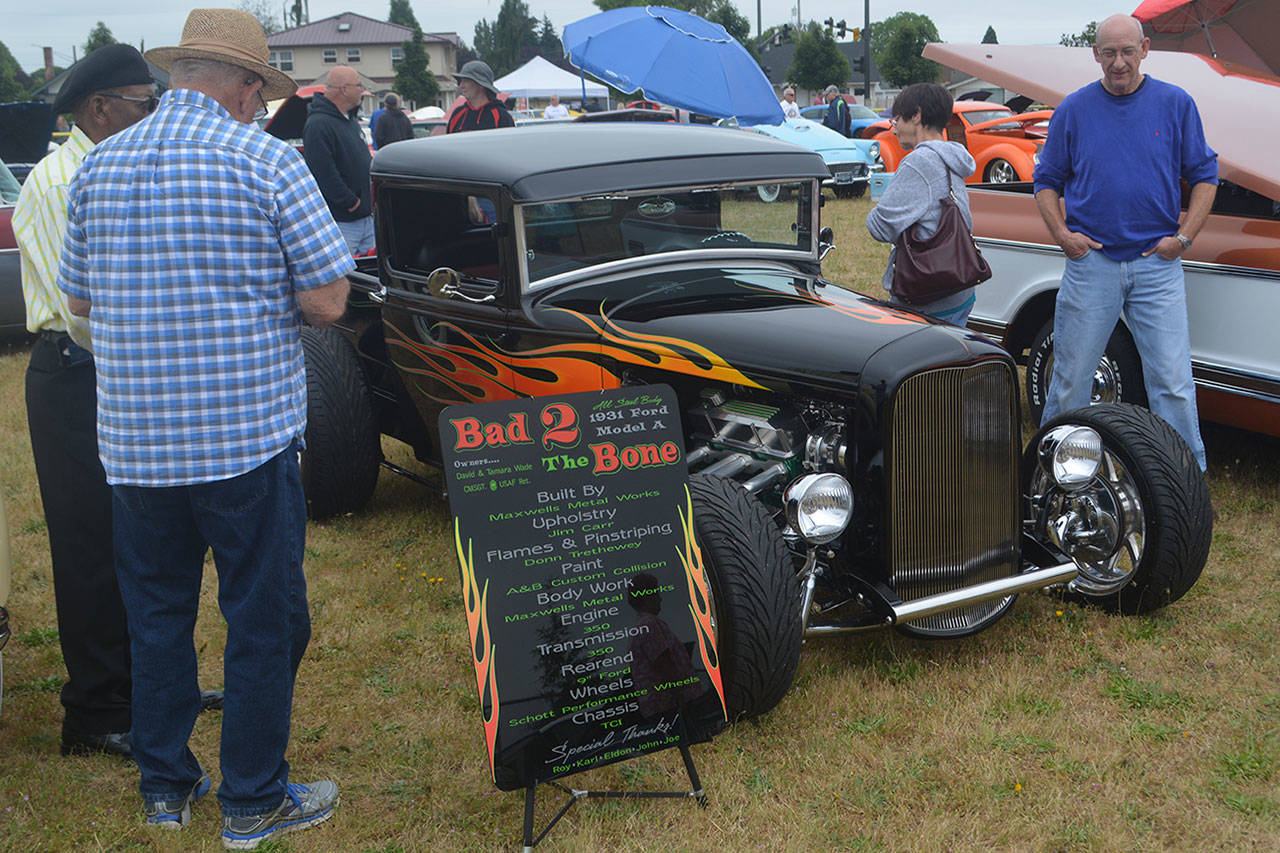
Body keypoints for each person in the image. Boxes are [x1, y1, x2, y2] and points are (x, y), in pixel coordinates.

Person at [59, 8, 352, 845]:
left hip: (137, 445)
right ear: (246, 87)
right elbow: (329, 299)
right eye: (260, 93)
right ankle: (254, 798)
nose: (261, 107)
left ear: (181, 75)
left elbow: (79, 299)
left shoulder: (99, 165)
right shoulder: (267, 160)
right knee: (263, 619)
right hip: (243, 442)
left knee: (156, 618)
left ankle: (165, 785)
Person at [13, 43, 223, 761]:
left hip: (122, 371)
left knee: (145, 537)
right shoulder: (54, 181)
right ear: (99, 109)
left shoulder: (119, 167)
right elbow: (80, 312)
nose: (156, 113)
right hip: (77, 375)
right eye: (146, 101)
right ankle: (98, 709)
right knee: (91, 545)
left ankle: (152, 687)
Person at [1033, 13, 1215, 471]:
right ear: (1095, 54)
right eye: (1109, 53)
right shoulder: (1074, 109)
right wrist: (1062, 235)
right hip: (1091, 265)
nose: (1119, 63)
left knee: (1172, 382)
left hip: (1158, 265)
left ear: (1145, 49)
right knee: (1071, 378)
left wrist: (1184, 237)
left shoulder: (1175, 104)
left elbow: (1205, 176)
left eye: (1127, 51)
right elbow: (1046, 181)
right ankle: (1051, 472)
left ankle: (1186, 479)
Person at [865, 83, 979, 326]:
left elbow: (879, 227)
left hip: (927, 300)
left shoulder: (919, 162)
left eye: (896, 119)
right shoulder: (953, 157)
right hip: (959, 291)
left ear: (916, 115)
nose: (894, 129)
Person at [303, 65, 373, 254]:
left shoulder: (349, 120)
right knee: (346, 276)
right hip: (342, 221)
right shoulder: (319, 125)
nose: (362, 90)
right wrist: (350, 202)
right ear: (344, 89)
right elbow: (323, 172)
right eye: (358, 85)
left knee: (372, 274)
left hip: (366, 217)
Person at [446, 60, 514, 133]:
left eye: (466, 81)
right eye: (461, 81)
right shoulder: (457, 114)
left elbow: (510, 143)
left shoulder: (501, 116)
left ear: (481, 84)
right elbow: (448, 143)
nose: (461, 86)